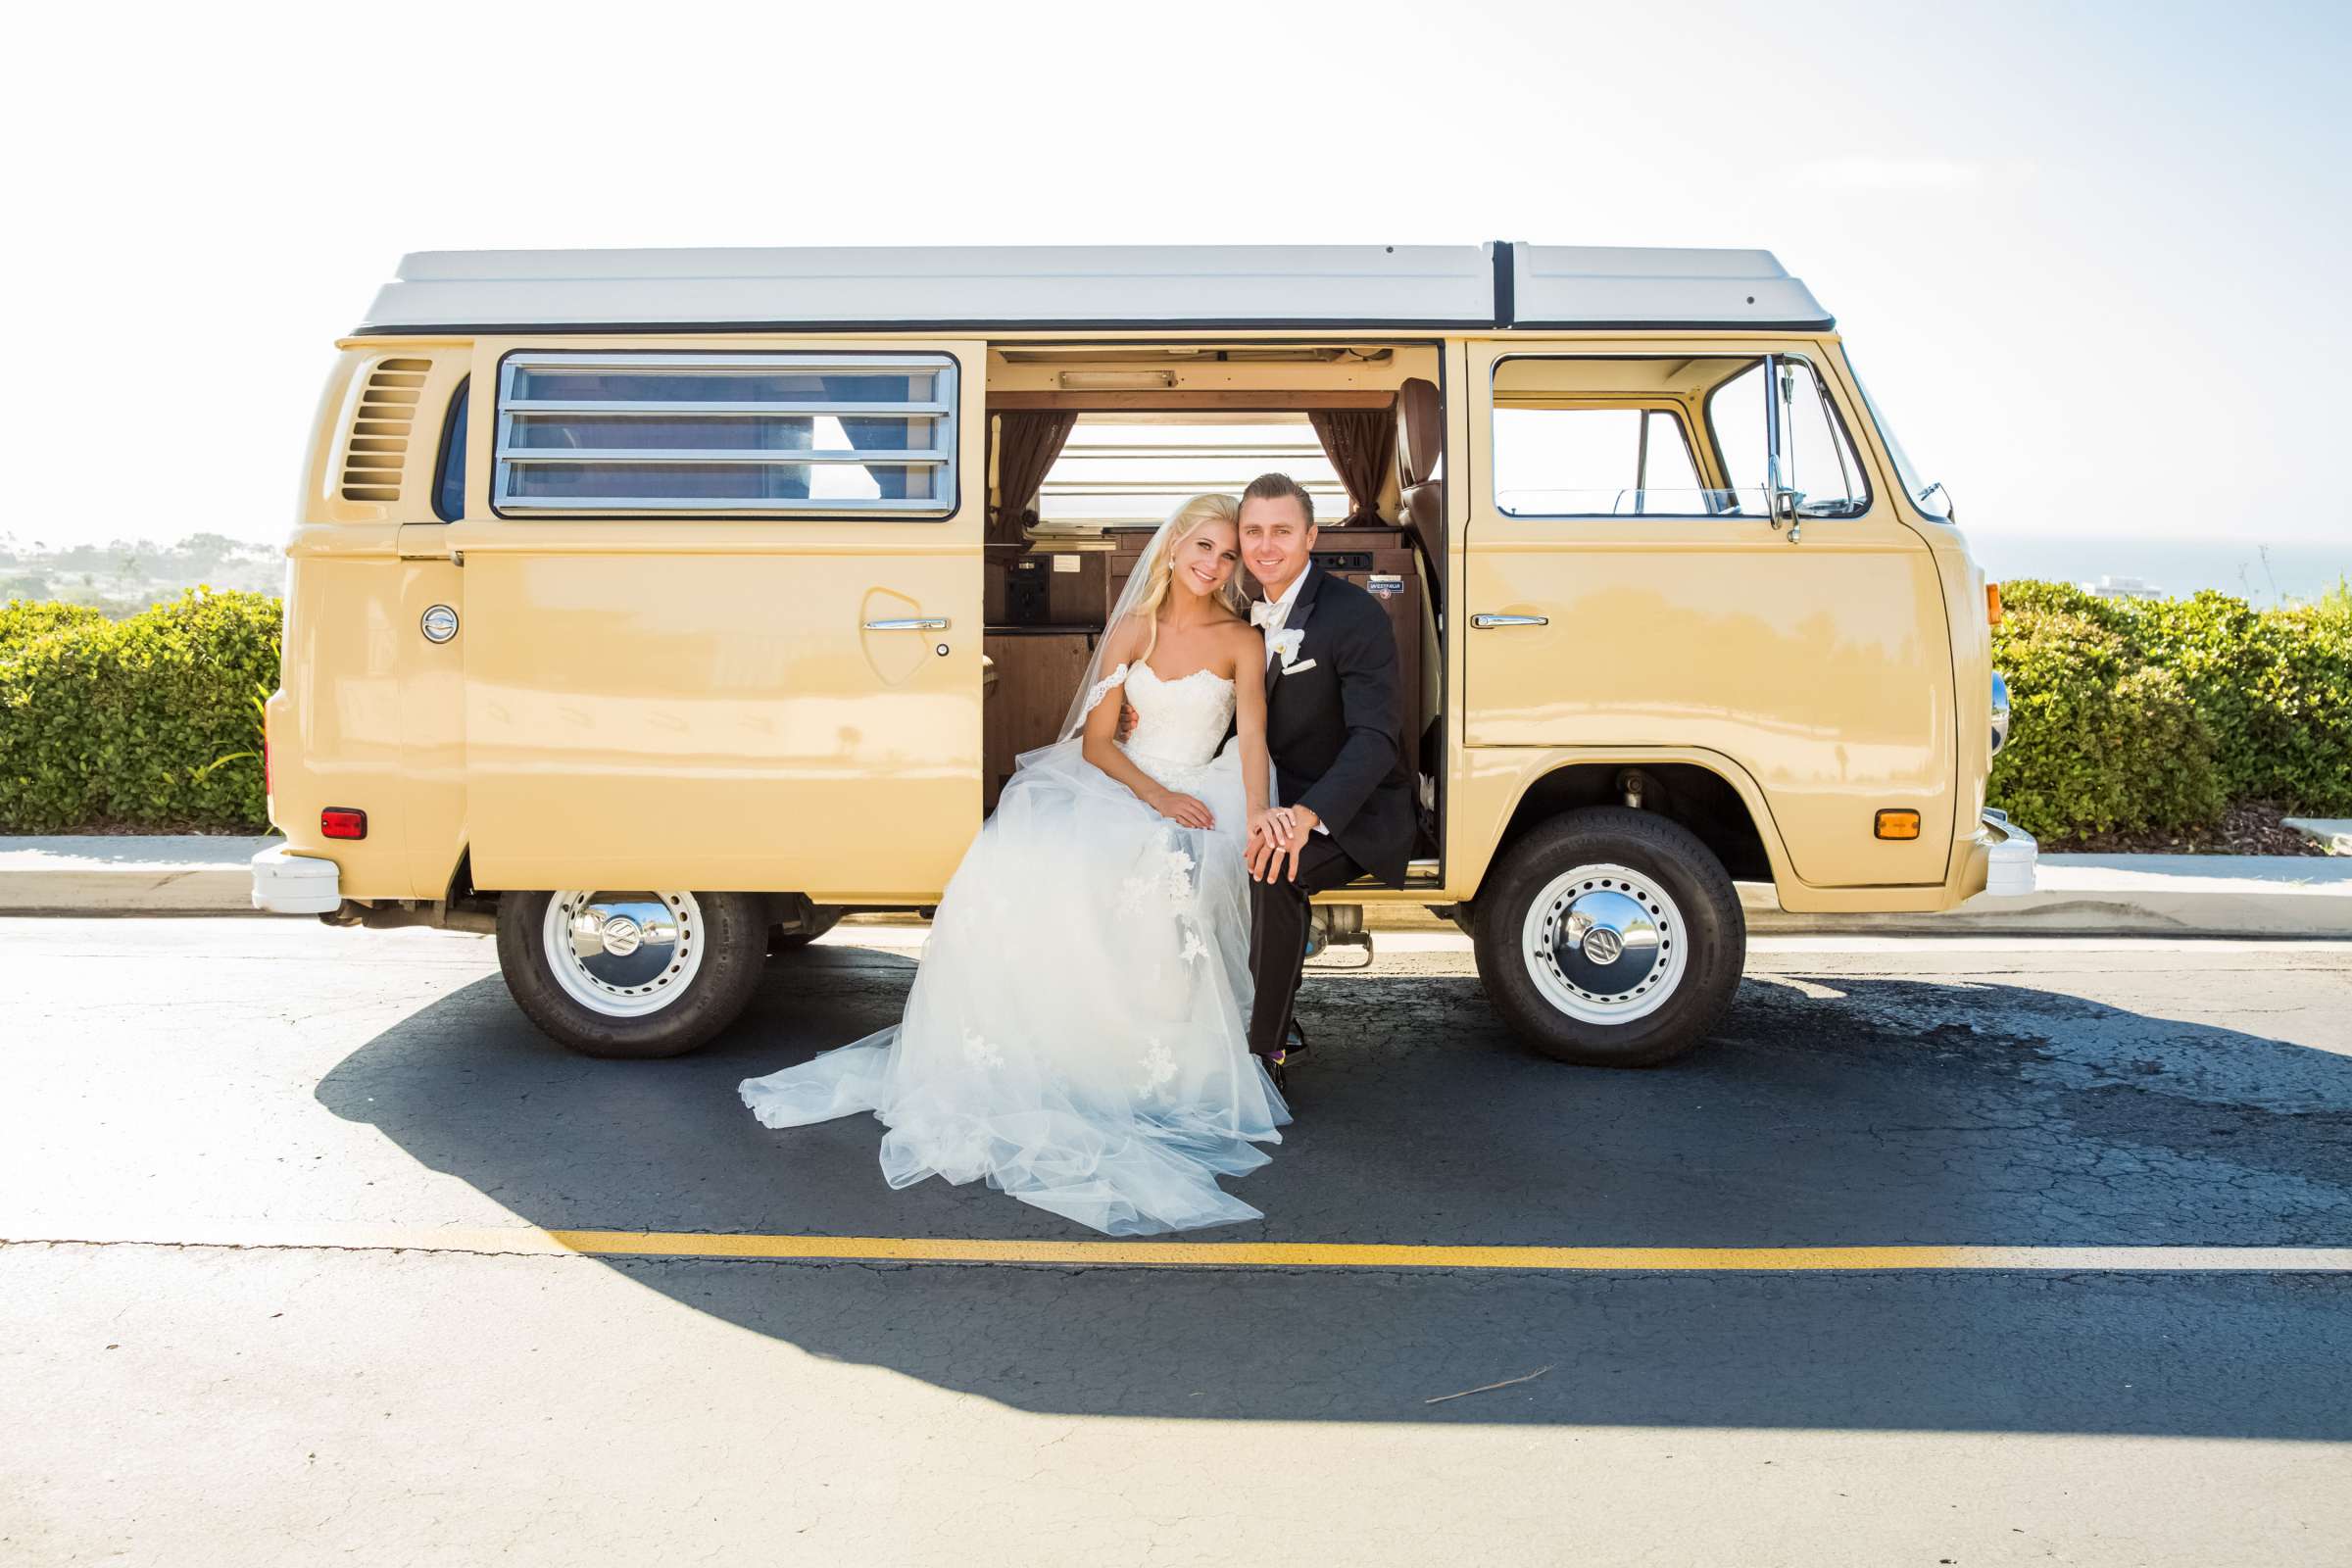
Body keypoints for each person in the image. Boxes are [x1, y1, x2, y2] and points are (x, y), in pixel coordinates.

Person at [738, 494, 1295, 1235]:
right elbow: (1099, 744)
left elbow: (1251, 739)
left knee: (1157, 868)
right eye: (1203, 547)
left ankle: (1142, 1056)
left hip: (1206, 788)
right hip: (1130, 781)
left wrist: (1255, 813)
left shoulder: (1241, 640)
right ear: (1171, 549)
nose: (1213, 564)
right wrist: (1156, 795)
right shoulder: (1132, 629)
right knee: (1019, 854)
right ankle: (1058, 1045)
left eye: (1227, 554)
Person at [1228, 472, 1416, 1074]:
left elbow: (1375, 740)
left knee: (1272, 864)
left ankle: (1267, 1048)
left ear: (1311, 537)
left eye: (1281, 531)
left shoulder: (1353, 614)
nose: (1266, 546)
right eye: (1253, 531)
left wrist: (1306, 818)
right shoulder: (1232, 608)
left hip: (1350, 809)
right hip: (1260, 792)